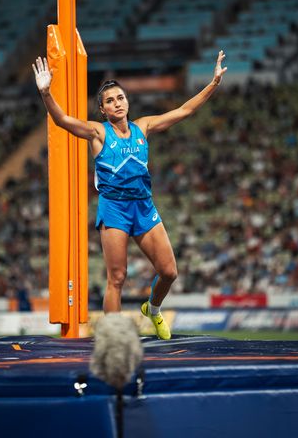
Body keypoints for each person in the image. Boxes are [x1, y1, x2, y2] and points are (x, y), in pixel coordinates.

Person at [32, 50, 227, 339]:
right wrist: (46, 93)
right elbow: (62, 121)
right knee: (117, 278)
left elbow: (184, 111)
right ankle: (114, 338)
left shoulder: (143, 127)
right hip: (114, 209)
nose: (117, 103)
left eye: (120, 98)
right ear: (103, 110)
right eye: (110, 101)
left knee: (170, 272)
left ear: (127, 101)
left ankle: (154, 309)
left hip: (143, 207)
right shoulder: (98, 132)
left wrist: (213, 83)